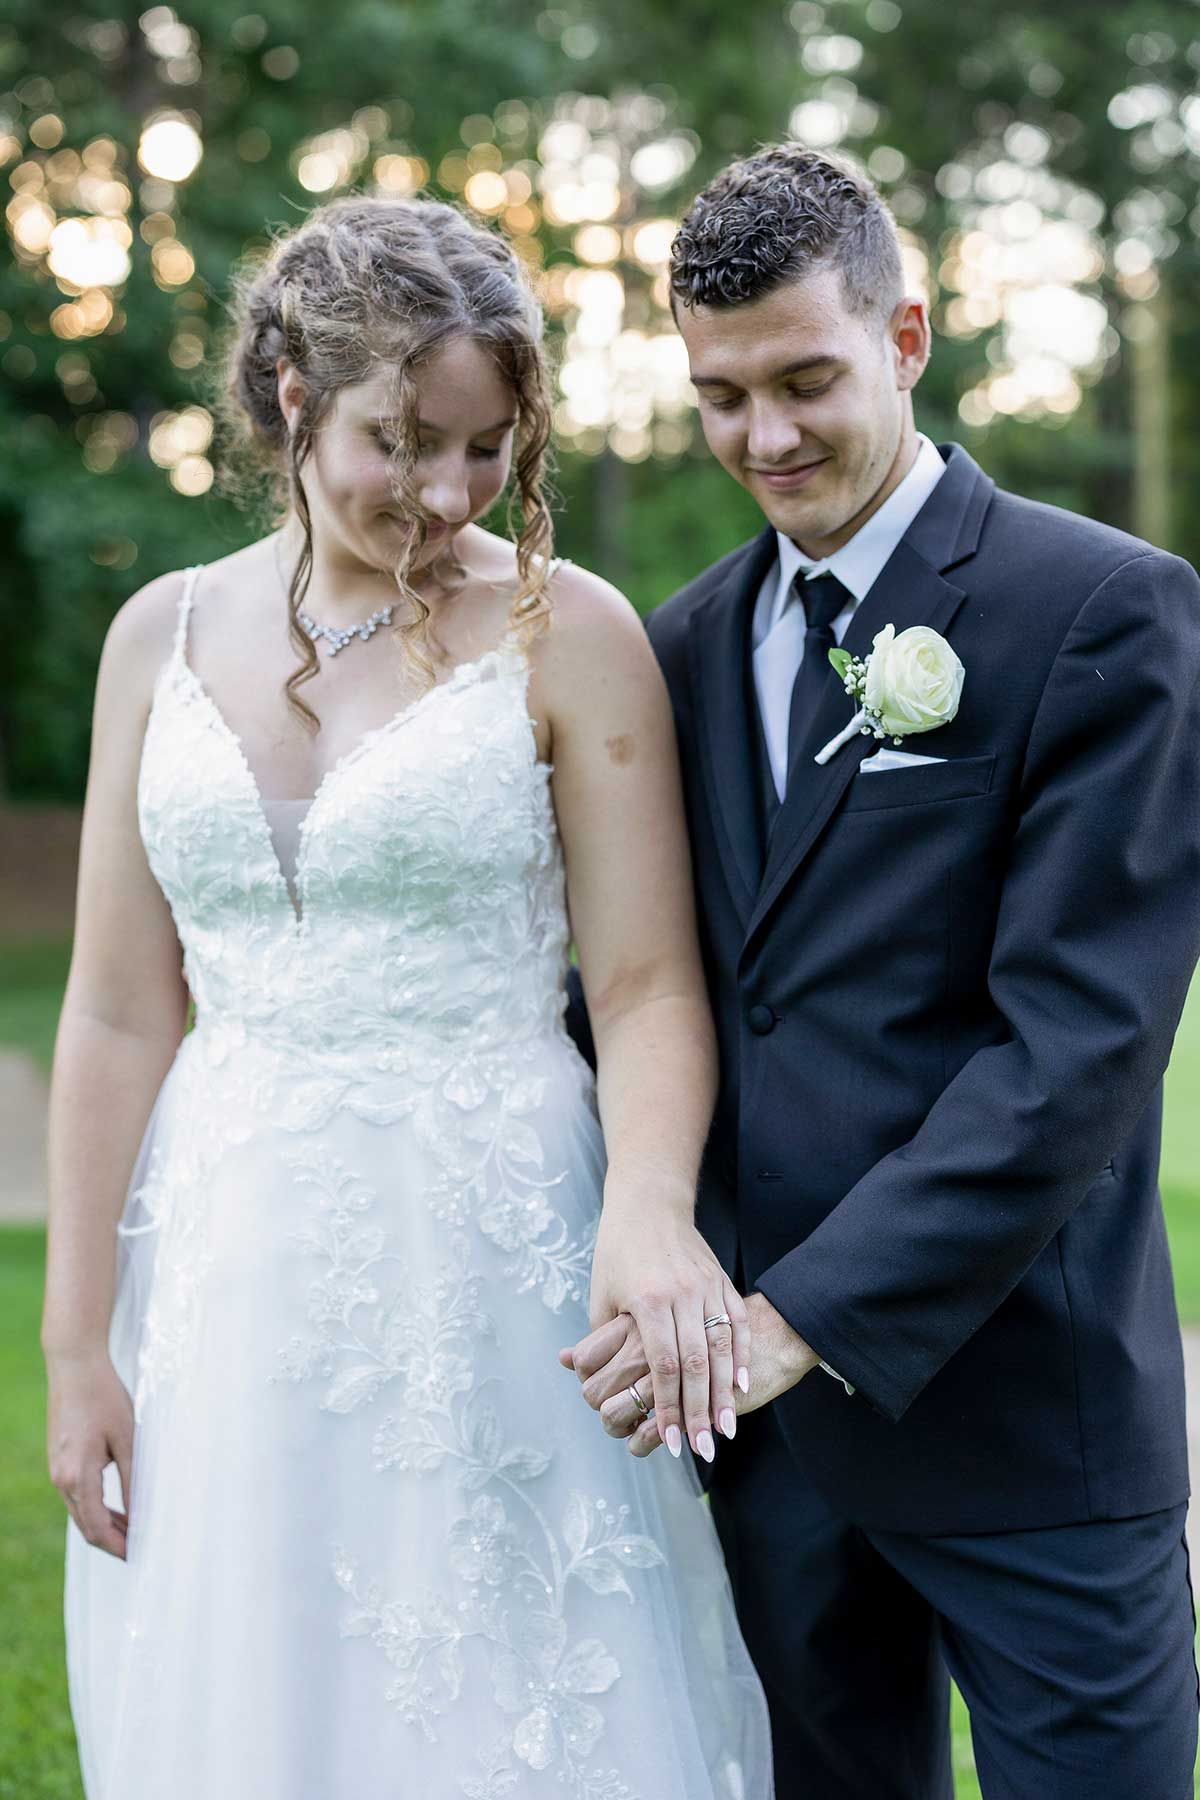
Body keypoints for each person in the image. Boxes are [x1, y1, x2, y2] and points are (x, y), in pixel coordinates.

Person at [42, 194, 773, 1800]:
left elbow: (646, 984)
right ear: (294, 394)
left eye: (485, 448)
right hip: (228, 1246)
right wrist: (76, 1342)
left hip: (495, 1236)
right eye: (403, 441)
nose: (445, 493)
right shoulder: (156, 638)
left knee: (509, 1680)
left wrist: (648, 1213)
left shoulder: (571, 632)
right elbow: (116, 1011)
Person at [562, 143, 1200, 1798]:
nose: (762, 439)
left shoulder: (1101, 610)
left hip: (1028, 1419)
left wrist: (808, 1319)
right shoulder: (678, 647)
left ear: (905, 337)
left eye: (805, 383)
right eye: (720, 397)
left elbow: (1077, 1053)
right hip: (765, 1452)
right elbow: (646, 991)